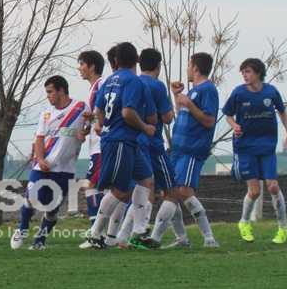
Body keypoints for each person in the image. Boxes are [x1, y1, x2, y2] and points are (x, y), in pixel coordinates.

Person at [85, 42, 157, 249]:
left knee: (146, 180)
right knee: (120, 191)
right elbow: (127, 112)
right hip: (120, 141)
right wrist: (145, 126)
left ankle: (139, 231)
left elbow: (98, 110)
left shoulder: (109, 80)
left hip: (126, 141)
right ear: (136, 60)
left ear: (116, 60)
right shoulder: (133, 81)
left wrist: (101, 124)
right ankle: (95, 233)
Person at [148, 53, 220, 248]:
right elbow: (184, 116)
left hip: (192, 149)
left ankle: (208, 238)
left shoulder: (208, 89)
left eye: (189, 65)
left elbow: (209, 120)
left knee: (182, 191)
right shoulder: (193, 91)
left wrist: (189, 103)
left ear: (195, 68)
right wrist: (178, 98)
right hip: (178, 149)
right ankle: (182, 238)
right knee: (170, 192)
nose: (187, 69)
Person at [223, 58, 287, 244]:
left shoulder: (271, 92)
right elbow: (228, 114)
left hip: (267, 147)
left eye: (248, 71)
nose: (244, 75)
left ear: (258, 73)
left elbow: (282, 112)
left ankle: (283, 228)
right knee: (254, 191)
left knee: (273, 186)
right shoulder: (239, 93)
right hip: (246, 147)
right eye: (243, 72)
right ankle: (244, 222)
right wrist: (234, 125)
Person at [11, 76, 88, 250]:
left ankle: (40, 241)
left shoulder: (80, 107)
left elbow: (89, 126)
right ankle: (22, 228)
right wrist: (40, 159)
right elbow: (39, 138)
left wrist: (84, 132)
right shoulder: (46, 113)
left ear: (61, 90)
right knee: (32, 197)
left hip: (65, 169)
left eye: (50, 92)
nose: (48, 96)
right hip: (42, 166)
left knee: (52, 209)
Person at [115, 48, 181, 249]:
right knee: (172, 192)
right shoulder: (156, 85)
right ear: (158, 66)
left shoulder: (131, 82)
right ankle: (153, 237)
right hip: (153, 144)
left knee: (142, 191)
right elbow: (167, 118)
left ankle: (123, 237)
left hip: (133, 143)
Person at [76, 50, 106, 249]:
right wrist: (86, 128)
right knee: (112, 190)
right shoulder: (93, 88)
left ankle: (97, 232)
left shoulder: (101, 85)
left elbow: (104, 114)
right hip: (96, 146)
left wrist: (92, 121)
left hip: (101, 146)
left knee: (91, 186)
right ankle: (104, 232)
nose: (79, 68)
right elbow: (96, 117)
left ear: (92, 66)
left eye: (82, 64)